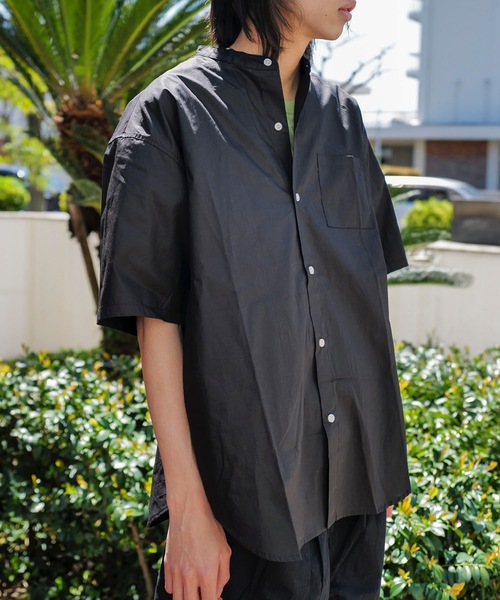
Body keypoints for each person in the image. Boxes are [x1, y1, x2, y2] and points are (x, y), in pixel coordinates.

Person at [97, 0, 411, 598]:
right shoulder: (169, 114)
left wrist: (375, 463)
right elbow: (155, 320)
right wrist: (188, 511)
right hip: (244, 509)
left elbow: (362, 297)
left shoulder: (343, 118)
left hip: (354, 502)